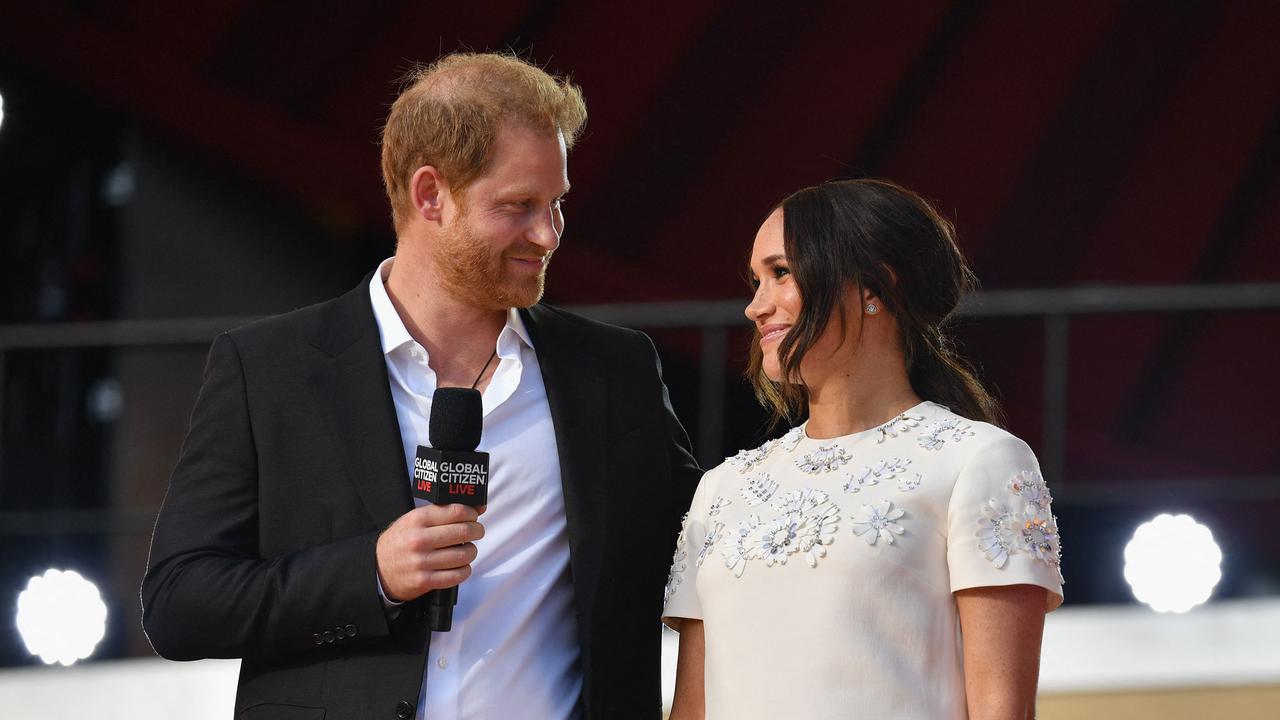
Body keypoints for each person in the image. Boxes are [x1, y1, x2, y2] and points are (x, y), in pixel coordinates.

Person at [142, 52, 700, 720]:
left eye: (556, 205)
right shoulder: (269, 368)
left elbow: (708, 550)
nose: (547, 235)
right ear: (430, 194)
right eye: (518, 206)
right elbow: (178, 603)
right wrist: (370, 575)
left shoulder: (613, 371)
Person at [662, 179, 1063, 719]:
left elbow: (1001, 711)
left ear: (875, 285)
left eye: (780, 273)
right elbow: (692, 710)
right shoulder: (722, 488)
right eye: (756, 280)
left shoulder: (977, 461)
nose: (755, 307)